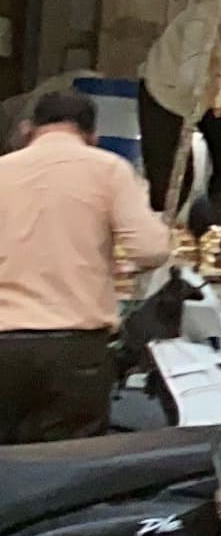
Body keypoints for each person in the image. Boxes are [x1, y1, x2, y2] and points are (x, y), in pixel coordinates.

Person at [0, 89, 172, 443]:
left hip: (5, 343)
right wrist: (116, 267)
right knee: (67, 475)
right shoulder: (109, 170)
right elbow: (151, 249)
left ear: (28, 128)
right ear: (91, 135)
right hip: (75, 350)